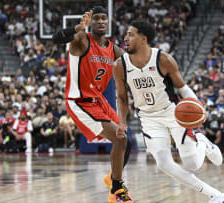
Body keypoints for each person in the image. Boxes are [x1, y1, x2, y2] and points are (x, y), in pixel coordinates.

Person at [113, 20, 224, 203]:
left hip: (173, 113)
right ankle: (216, 196)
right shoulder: (120, 65)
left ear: (143, 39)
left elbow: (183, 88)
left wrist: (197, 106)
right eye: (126, 34)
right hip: (148, 118)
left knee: (192, 163)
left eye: (131, 34)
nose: (125, 38)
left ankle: (202, 141)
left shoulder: (163, 59)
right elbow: (121, 97)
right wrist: (122, 121)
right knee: (163, 163)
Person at [52, 6, 132, 202]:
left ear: (108, 22)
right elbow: (56, 38)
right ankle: (117, 191)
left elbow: (132, 62)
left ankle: (112, 178)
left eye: (104, 18)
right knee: (120, 139)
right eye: (96, 18)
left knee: (126, 142)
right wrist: (77, 28)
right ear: (91, 22)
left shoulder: (112, 48)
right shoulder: (81, 40)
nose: (100, 22)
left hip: (98, 101)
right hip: (79, 101)